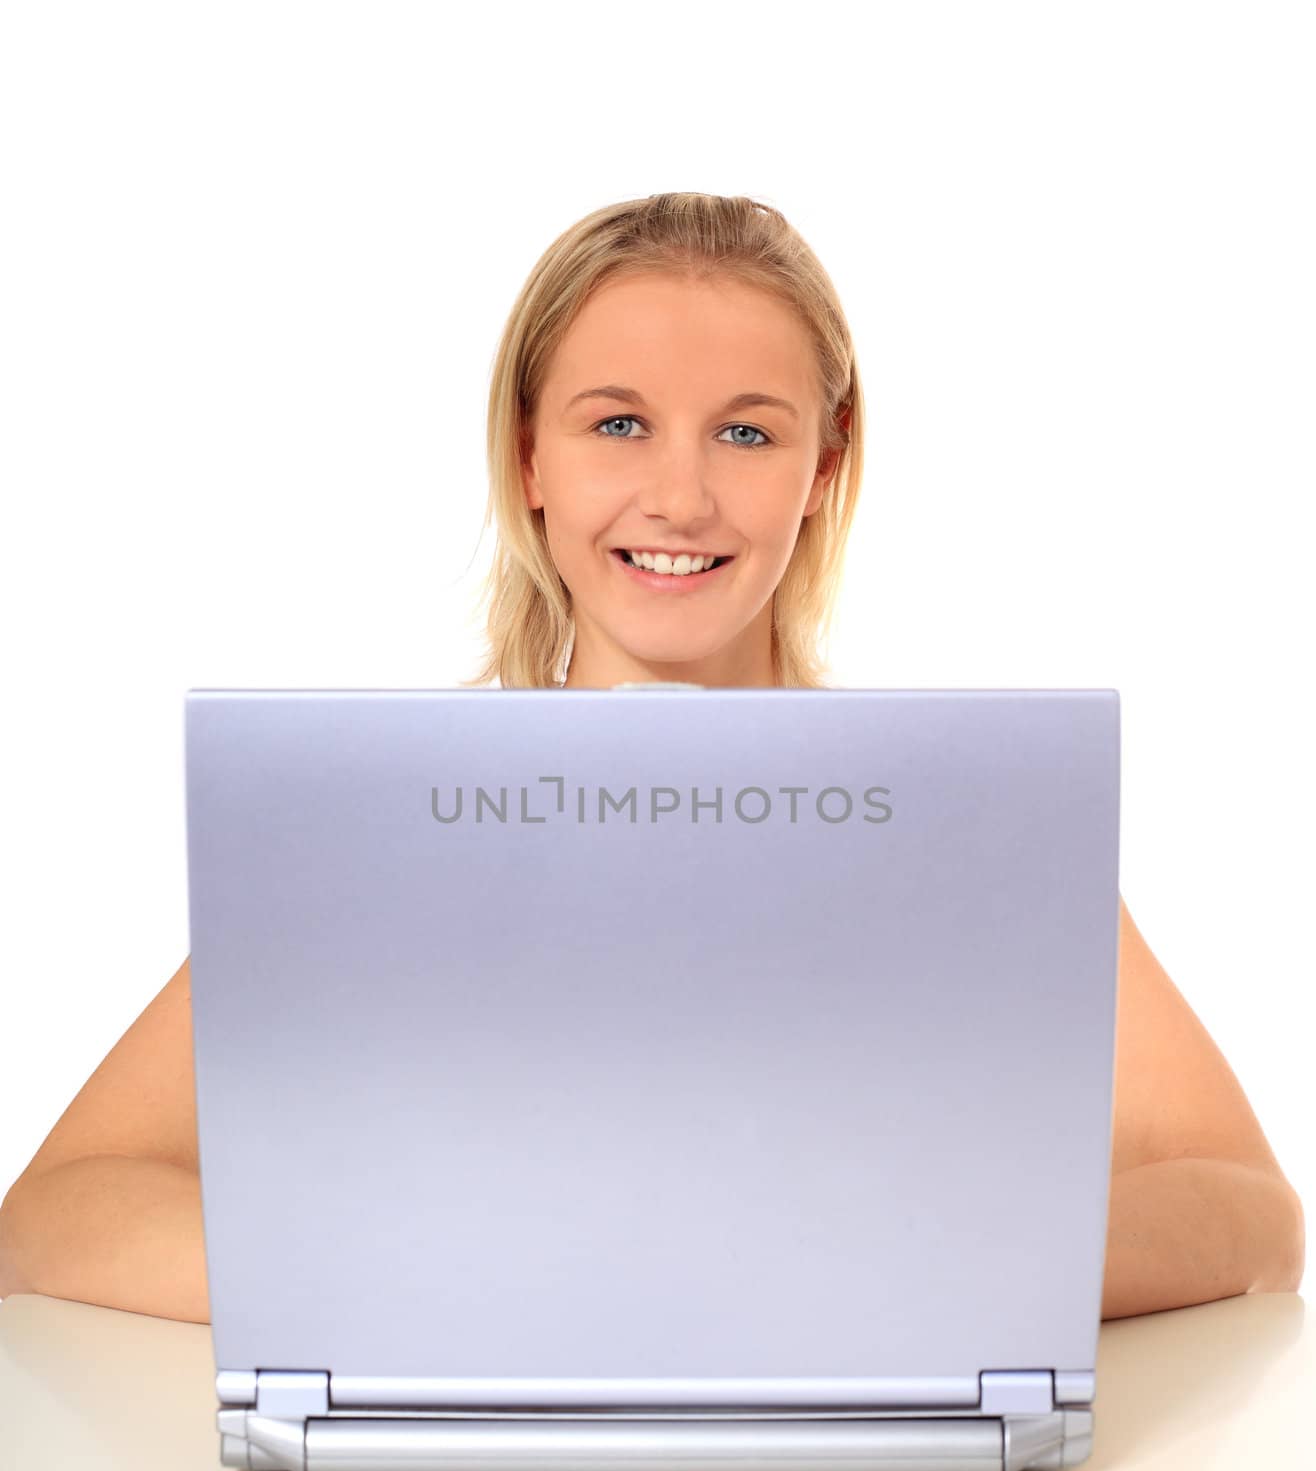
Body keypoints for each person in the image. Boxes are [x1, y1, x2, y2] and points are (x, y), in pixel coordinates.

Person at [0, 192, 1303, 1326]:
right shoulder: (394, 822)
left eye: (746, 433)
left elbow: (1248, 1209)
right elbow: (54, 1214)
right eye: (618, 423)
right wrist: (449, 1278)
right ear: (529, 457)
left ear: (822, 468)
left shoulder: (960, 826)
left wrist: (921, 1271)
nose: (680, 498)